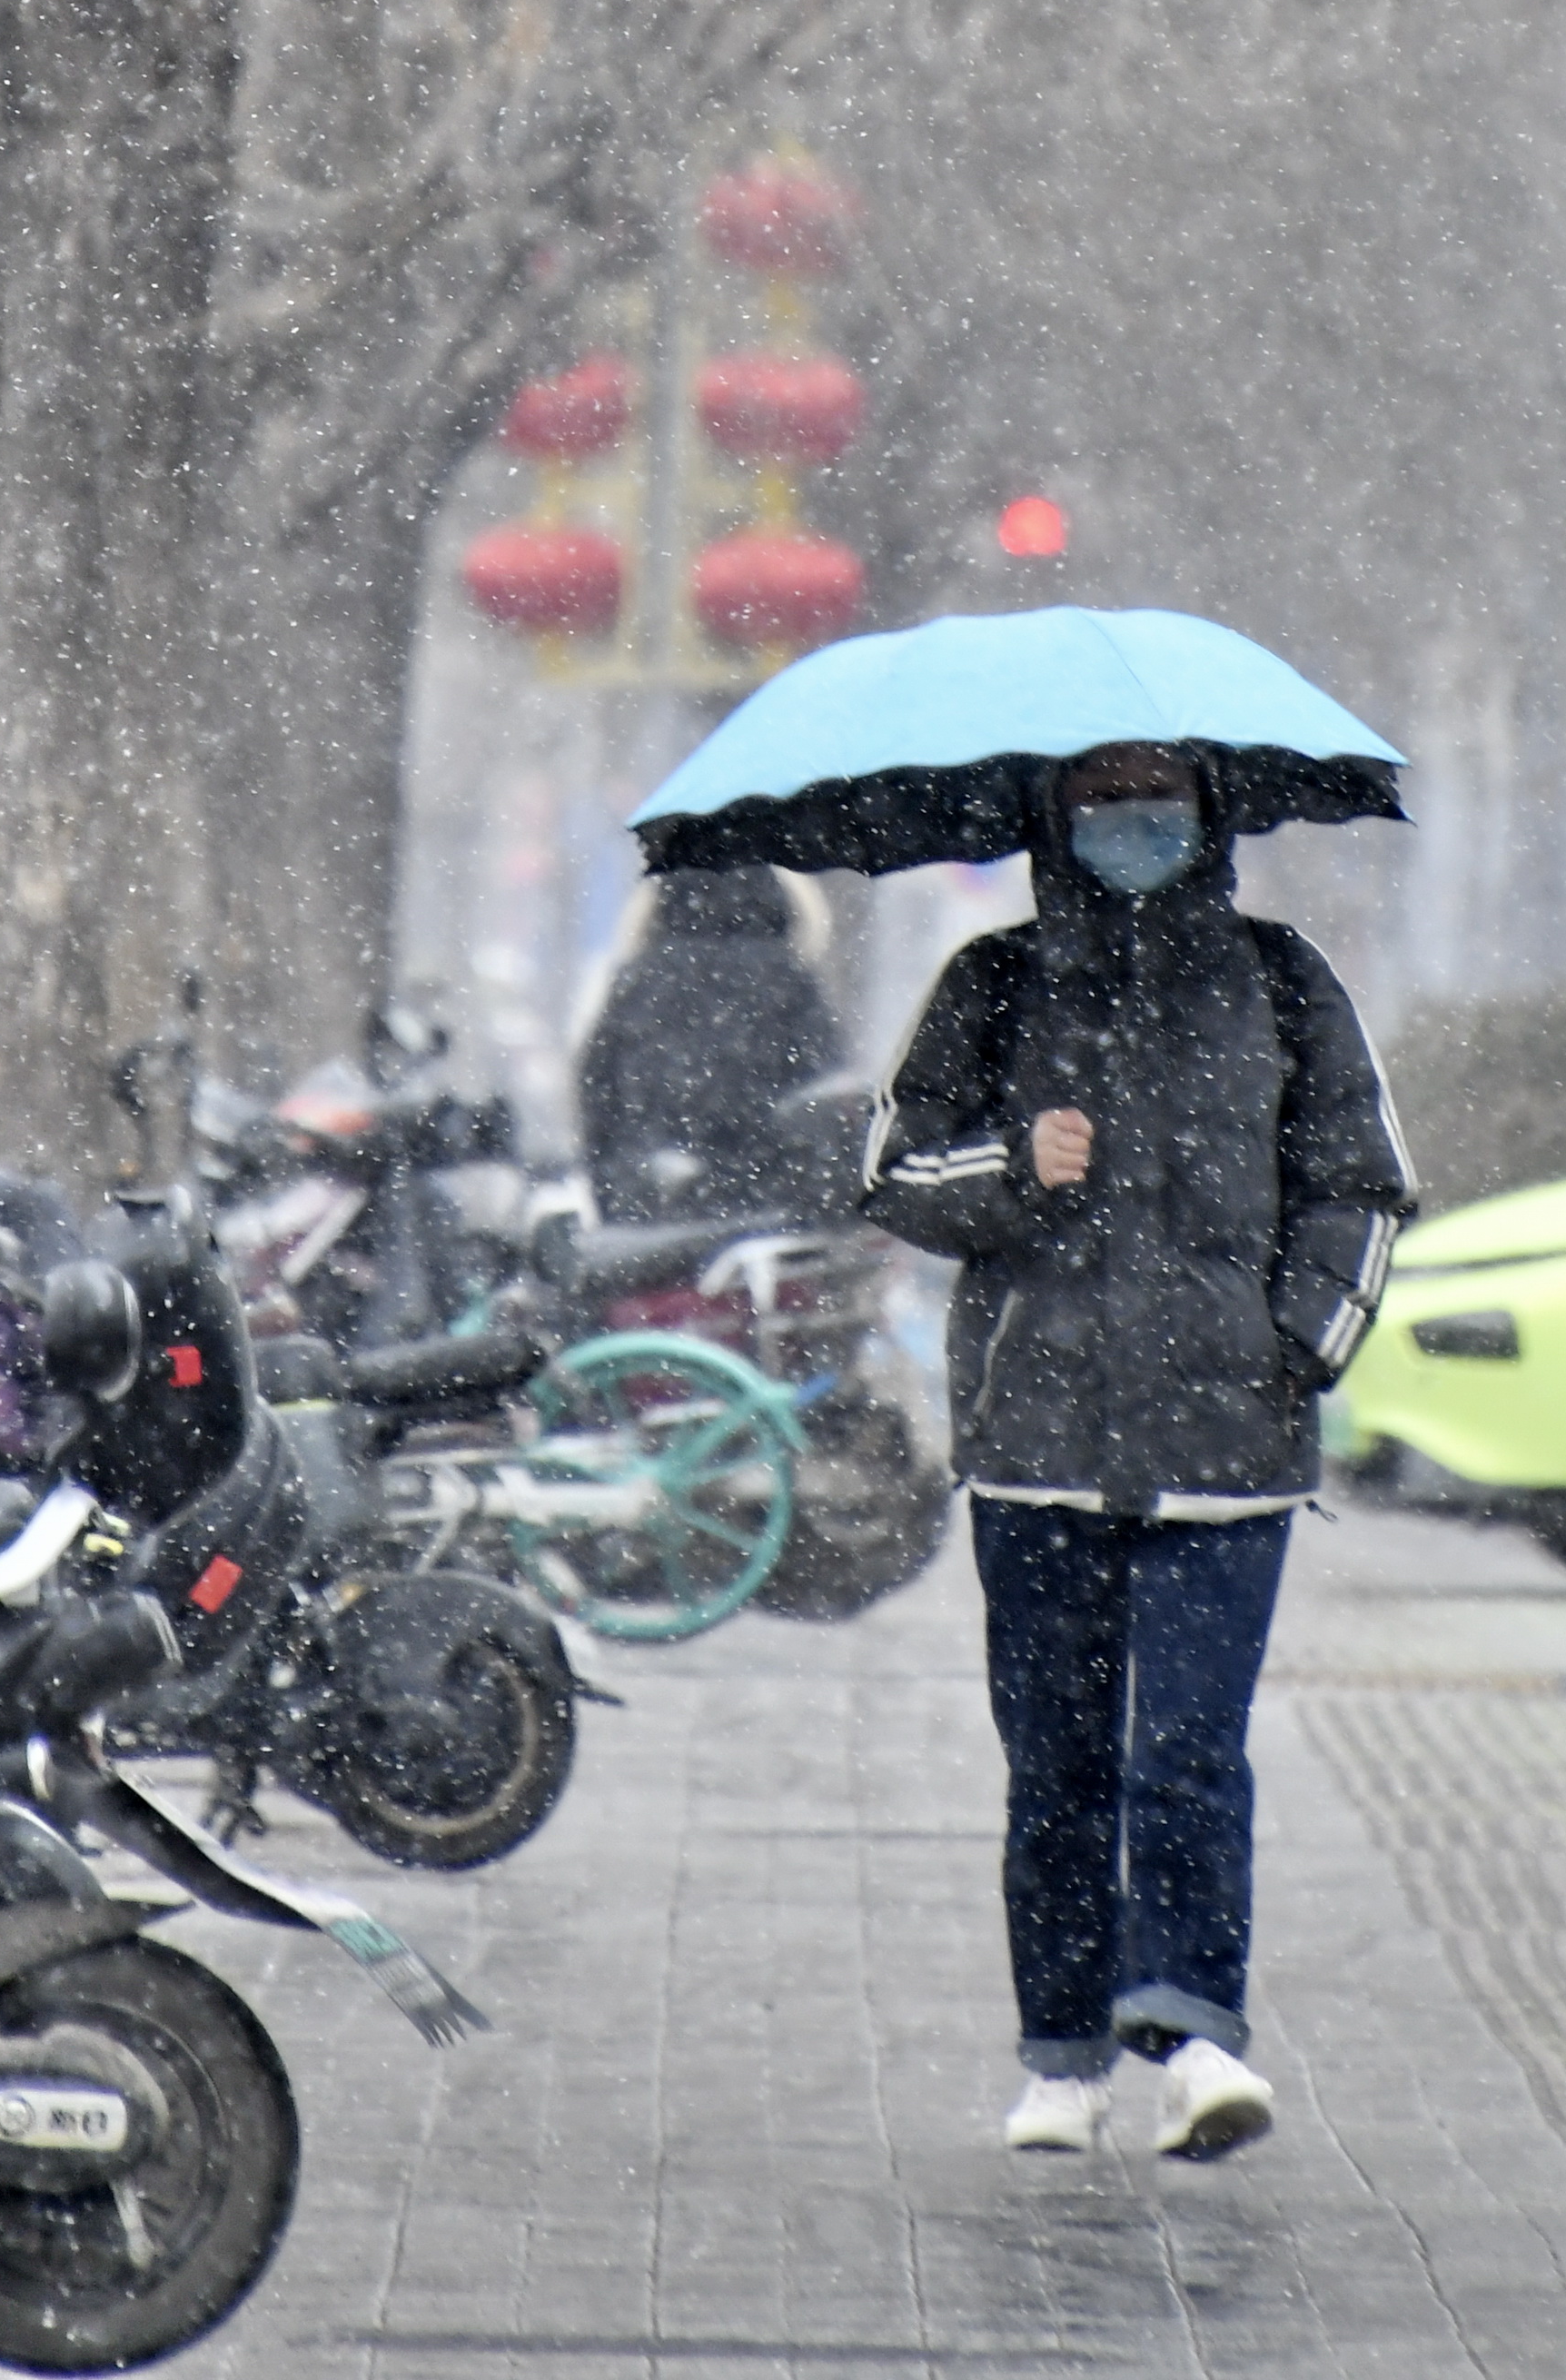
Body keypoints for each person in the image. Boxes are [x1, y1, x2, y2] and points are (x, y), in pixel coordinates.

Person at [863, 742, 1412, 2159]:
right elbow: (891, 1173)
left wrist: (1295, 1346)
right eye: (1101, 799)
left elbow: (1359, 1179)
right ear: (1055, 816)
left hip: (1226, 1456)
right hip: (1035, 1449)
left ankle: (1191, 2038)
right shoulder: (993, 984)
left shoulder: (1281, 980)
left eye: (1157, 796)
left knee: (1184, 1752)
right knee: (1054, 1768)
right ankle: (1061, 2058)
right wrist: (1006, 1166)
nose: (1131, 823)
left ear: (1207, 811)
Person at [578, 863, 842, 1220]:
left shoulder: (637, 984)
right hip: (762, 1219)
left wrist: (621, 1193)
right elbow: (822, 1099)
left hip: (656, 1219)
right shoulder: (793, 984)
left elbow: (598, 1097)